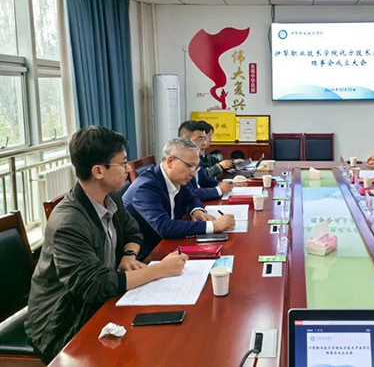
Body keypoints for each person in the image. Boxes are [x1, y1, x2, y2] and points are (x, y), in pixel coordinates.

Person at [25, 127, 189, 361]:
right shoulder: (69, 223)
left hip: (103, 302)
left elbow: (133, 231)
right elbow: (96, 285)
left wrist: (129, 255)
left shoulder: (110, 197)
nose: (128, 168)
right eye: (122, 163)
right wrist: (159, 270)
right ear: (98, 171)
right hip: (64, 322)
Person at [123, 138, 235, 258]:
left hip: (168, 245)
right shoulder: (145, 187)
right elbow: (165, 227)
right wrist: (214, 226)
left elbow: (191, 197)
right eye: (190, 166)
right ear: (170, 161)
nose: (193, 173)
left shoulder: (177, 178)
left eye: (196, 168)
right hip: (146, 255)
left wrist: (197, 210)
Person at [178, 120, 233, 201]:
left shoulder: (196, 158)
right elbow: (190, 194)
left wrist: (222, 185)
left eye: (205, 139)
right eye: (200, 139)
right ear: (185, 142)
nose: (204, 143)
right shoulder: (180, 164)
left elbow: (204, 180)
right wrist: (219, 190)